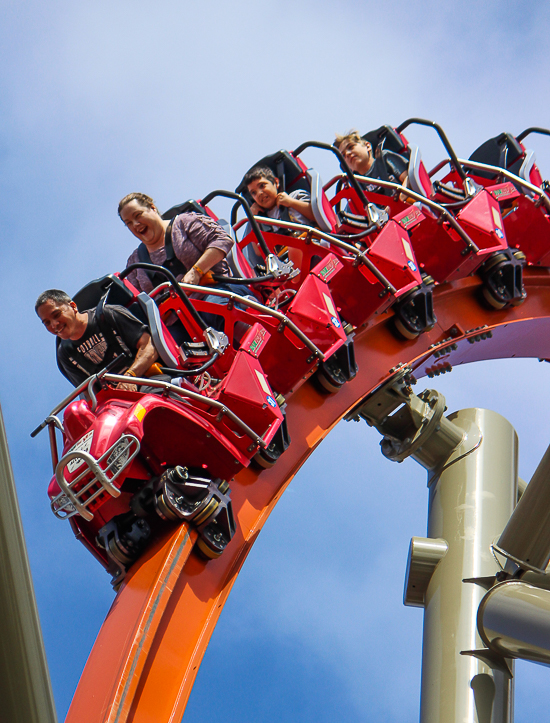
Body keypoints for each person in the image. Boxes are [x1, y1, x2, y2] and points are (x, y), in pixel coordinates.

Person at [35, 289, 158, 390]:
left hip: (147, 380)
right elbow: (89, 393)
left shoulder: (108, 315)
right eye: (47, 323)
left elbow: (149, 347)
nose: (54, 325)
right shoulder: (65, 355)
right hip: (117, 403)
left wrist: (131, 377)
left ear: (73, 306)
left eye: (56, 315)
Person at [118, 192, 235, 294]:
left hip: (217, 294)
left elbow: (222, 239)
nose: (135, 224)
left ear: (152, 208)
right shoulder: (134, 262)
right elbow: (138, 301)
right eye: (129, 223)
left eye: (138, 215)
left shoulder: (183, 223)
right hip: (175, 317)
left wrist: (197, 271)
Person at [334, 130, 409, 196]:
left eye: (351, 147)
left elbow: (409, 179)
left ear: (367, 146)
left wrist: (399, 200)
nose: (347, 154)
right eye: (343, 155)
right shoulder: (356, 184)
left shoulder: (384, 158)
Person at [243, 166, 316, 233]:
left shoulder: (295, 196)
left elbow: (317, 216)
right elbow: (258, 246)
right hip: (286, 246)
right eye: (253, 193)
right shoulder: (263, 221)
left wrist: (291, 202)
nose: (259, 193)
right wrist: (255, 220)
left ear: (276, 182)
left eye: (262, 186)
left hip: (309, 241)